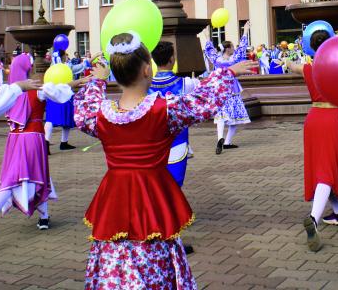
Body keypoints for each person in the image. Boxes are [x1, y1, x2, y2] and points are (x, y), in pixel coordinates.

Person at [73, 31, 256, 289]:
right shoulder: (163, 110)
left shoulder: (101, 115)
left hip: (114, 197)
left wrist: (98, 82)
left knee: (114, 260)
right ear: (147, 70)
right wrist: (229, 72)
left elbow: (83, 111)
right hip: (151, 196)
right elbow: (203, 99)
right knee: (154, 260)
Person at [286, 24, 338, 253]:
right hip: (333, 118)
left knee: (324, 168)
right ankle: (314, 220)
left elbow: (292, 66)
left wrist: (286, 62)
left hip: (314, 118)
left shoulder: (309, 68)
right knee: (328, 170)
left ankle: (337, 213)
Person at [0, 54, 74, 232]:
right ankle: (43, 216)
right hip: (32, 139)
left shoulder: (6, 90)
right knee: (27, 177)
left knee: (24, 177)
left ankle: (44, 216)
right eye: (30, 67)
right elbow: (60, 91)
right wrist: (77, 83)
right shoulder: (35, 89)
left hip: (15, 139)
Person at [149, 41, 197, 187]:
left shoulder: (144, 86)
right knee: (175, 183)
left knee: (156, 183)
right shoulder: (187, 84)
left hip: (152, 143)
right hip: (177, 141)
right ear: (172, 59)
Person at [203, 22, 252, 154]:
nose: (234, 49)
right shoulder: (233, 60)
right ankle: (227, 142)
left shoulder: (216, 60)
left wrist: (207, 36)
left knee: (221, 116)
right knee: (234, 119)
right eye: (232, 47)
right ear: (228, 49)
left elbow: (209, 50)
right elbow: (242, 48)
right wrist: (245, 31)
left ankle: (220, 138)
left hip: (219, 90)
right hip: (232, 90)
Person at [44, 50, 77, 152]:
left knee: (50, 118)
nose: (67, 57)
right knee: (66, 119)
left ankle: (46, 143)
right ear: (63, 57)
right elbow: (80, 67)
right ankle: (63, 142)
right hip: (65, 95)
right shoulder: (66, 67)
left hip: (52, 95)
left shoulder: (51, 67)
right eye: (66, 55)